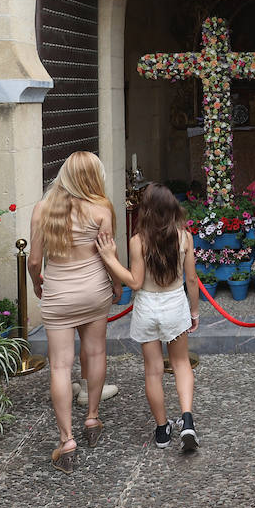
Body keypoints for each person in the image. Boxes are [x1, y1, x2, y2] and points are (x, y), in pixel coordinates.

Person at [28, 151, 120, 473]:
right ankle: (92, 419)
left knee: (59, 367)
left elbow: (34, 261)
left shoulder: (43, 209)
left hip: (58, 295)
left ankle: (66, 440)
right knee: (95, 353)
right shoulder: (101, 208)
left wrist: (38, 287)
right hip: (95, 291)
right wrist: (117, 286)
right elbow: (109, 254)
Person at [95, 182, 200, 452]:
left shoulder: (138, 241)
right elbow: (191, 278)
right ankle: (187, 421)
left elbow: (136, 282)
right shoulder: (184, 237)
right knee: (181, 364)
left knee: (153, 371)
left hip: (147, 308)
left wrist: (109, 259)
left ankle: (162, 429)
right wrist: (194, 310)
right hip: (175, 304)